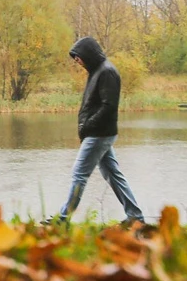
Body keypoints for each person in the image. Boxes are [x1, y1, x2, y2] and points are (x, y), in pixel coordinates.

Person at [53, 35, 145, 227]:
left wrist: (88, 126)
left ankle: (62, 220)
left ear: (88, 53)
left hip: (99, 134)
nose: (77, 61)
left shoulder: (107, 73)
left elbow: (108, 106)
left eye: (78, 57)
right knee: (113, 175)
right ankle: (135, 216)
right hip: (99, 133)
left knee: (79, 174)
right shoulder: (96, 71)